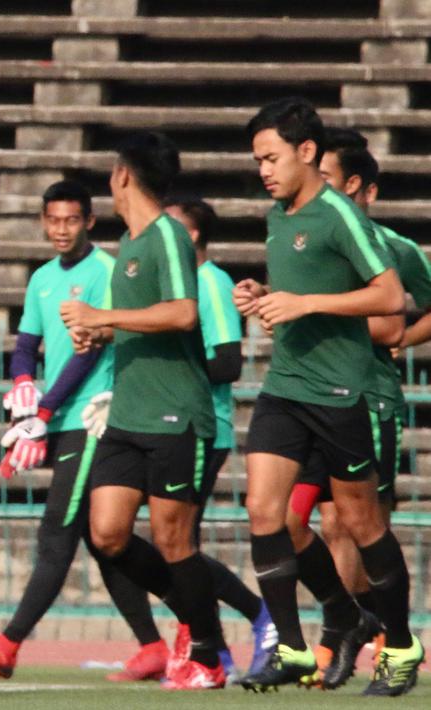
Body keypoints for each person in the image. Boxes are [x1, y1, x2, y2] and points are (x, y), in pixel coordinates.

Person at [234, 97, 420, 695]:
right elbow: (298, 292)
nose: (263, 170)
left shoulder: (342, 215)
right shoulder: (278, 215)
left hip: (343, 394)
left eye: (271, 157)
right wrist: (263, 296)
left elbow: (391, 298)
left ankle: (399, 643)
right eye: (257, 159)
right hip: (285, 386)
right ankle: (292, 645)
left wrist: (308, 304)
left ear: (306, 151)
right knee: (267, 513)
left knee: (362, 525)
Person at [0, 180, 172, 682]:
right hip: (63, 420)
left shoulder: (106, 272)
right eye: (53, 219)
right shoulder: (43, 279)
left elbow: (89, 347)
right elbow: (26, 342)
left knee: (58, 530)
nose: (61, 229)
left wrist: (44, 412)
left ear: (89, 222)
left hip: (94, 420)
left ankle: (7, 643)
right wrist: (23, 381)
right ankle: (159, 643)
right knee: (104, 542)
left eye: (71, 220)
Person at [60, 131, 225, 690]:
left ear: (122, 174)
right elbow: (139, 321)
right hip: (128, 416)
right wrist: (97, 334)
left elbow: (182, 314)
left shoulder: (167, 236)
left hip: (174, 414)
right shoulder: (129, 244)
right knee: (105, 532)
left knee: (176, 540)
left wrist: (102, 317)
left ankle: (205, 653)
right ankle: (197, 622)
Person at [283, 127, 431, 690]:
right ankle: (348, 623)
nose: (316, 189)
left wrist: (400, 340)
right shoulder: (310, 237)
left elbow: (396, 318)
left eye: (328, 180)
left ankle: (382, 644)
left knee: (359, 527)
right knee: (291, 520)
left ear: (362, 189)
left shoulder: (394, 249)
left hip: (367, 401)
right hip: (313, 400)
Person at [163, 196, 276, 681]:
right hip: (172, 425)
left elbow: (228, 363)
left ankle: (237, 629)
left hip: (204, 428)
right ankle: (222, 640)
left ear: (190, 236)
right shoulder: (176, 285)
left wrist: (173, 365)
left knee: (177, 542)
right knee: (172, 542)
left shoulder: (211, 284)